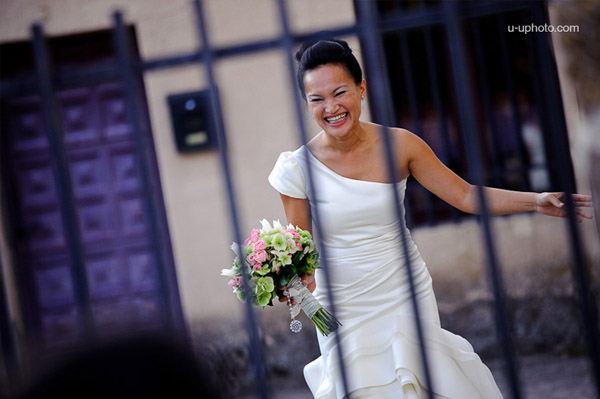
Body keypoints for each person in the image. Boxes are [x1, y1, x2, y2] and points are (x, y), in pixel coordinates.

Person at [268, 39, 593, 399]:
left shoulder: (401, 145)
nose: (331, 107)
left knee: (422, 384)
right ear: (307, 103)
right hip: (341, 302)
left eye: (340, 92)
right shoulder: (296, 168)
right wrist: (293, 283)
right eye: (317, 99)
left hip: (402, 285)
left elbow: (466, 195)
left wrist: (535, 200)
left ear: (361, 89)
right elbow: (302, 252)